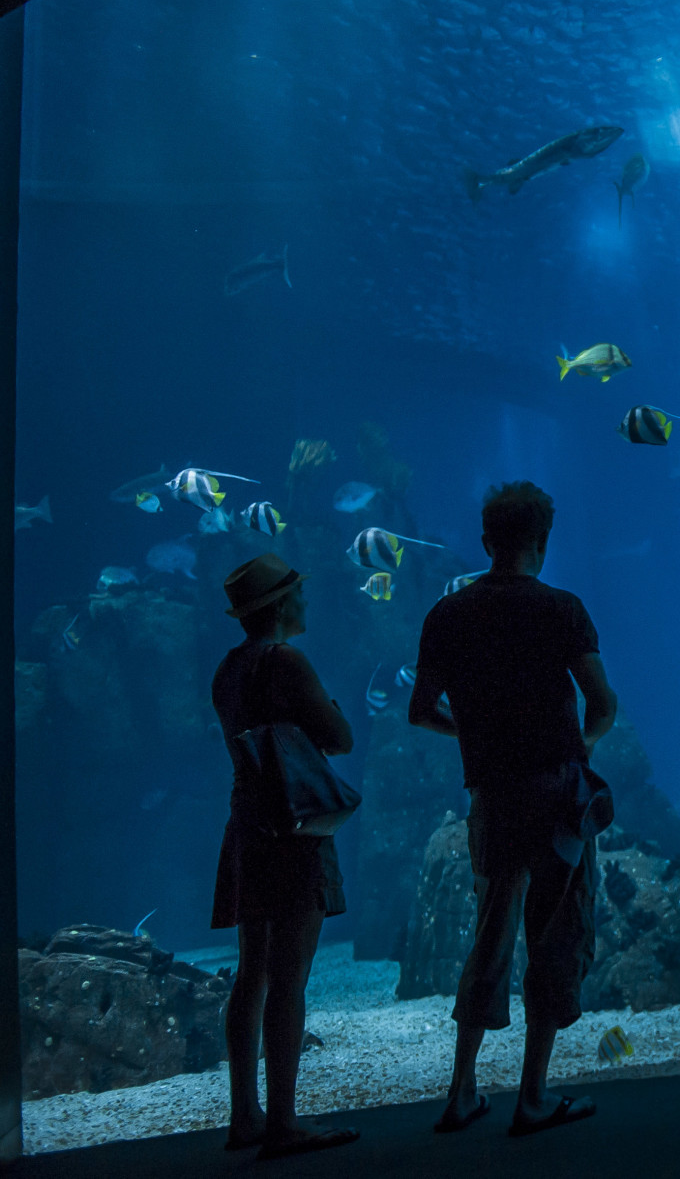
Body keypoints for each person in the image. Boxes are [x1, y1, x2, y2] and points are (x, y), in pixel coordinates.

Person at [409, 481, 618, 1137]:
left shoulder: (448, 614)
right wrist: (576, 747)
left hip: (491, 795)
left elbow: (420, 711)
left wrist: (473, 735)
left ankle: (462, 1091)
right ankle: (531, 1097)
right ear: (541, 540)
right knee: (556, 933)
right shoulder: (562, 609)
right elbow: (602, 702)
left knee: (491, 934)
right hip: (557, 792)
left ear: (486, 540)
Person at [211, 552, 360, 1158]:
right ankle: (285, 1122)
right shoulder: (287, 661)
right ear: (278, 607)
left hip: (248, 825)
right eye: (296, 593)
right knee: (290, 978)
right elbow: (340, 738)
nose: (304, 601)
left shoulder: (227, 670)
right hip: (294, 832)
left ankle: (243, 1114)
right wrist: (334, 713)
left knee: (251, 975)